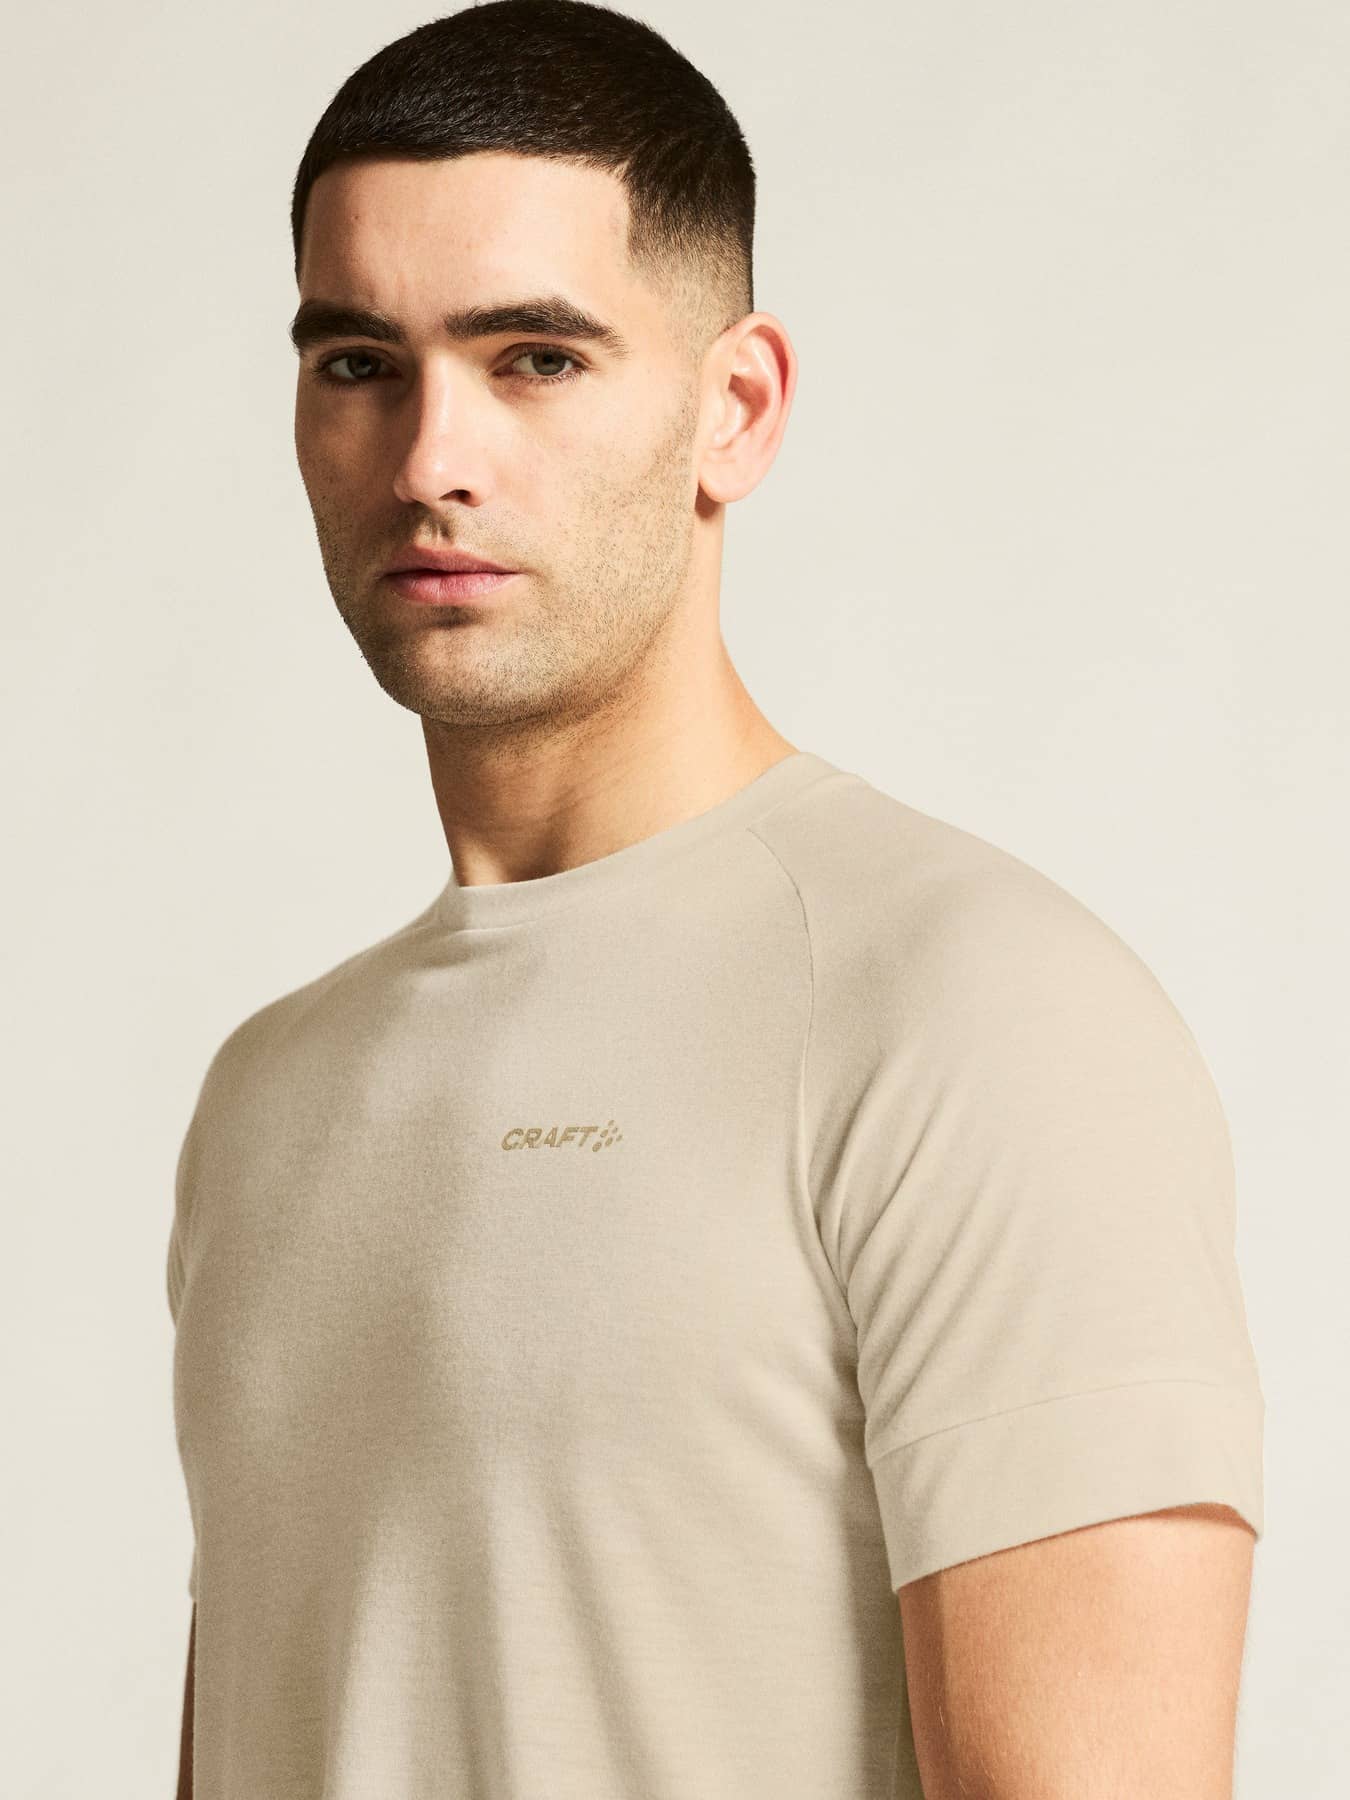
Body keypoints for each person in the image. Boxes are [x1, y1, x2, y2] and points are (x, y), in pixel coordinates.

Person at [165, 4, 1265, 1795]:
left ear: (731, 410)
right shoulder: (268, 1097)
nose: (431, 459)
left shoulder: (972, 1010)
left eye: (534, 358)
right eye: (359, 363)